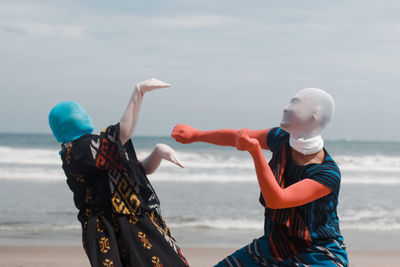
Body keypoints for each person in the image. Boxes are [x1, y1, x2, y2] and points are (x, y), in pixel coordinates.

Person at [172, 88, 349, 266]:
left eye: (295, 103)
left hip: (318, 254)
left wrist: (255, 152)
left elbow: (278, 200)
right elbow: (234, 137)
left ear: (315, 116)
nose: (286, 108)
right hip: (274, 246)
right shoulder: (280, 138)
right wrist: (196, 135)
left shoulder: (327, 173)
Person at [49, 78, 189, 267]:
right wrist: (139, 92)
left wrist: (158, 152)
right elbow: (123, 132)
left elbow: (139, 170)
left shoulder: (93, 150)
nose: (87, 115)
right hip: (108, 227)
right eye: (80, 113)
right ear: (66, 123)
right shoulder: (76, 151)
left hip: (133, 221)